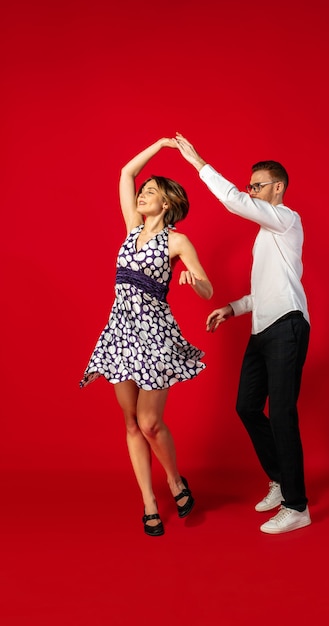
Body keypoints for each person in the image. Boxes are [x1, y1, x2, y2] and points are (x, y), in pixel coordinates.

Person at [174, 133, 311, 534]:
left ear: (278, 188)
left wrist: (199, 163)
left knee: (282, 414)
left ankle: (297, 506)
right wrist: (232, 308)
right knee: (247, 407)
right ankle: (281, 481)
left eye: (257, 185)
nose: (250, 191)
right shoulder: (266, 236)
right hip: (262, 327)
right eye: (249, 185)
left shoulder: (287, 219)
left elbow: (233, 200)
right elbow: (267, 288)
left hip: (287, 325)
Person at [80, 138, 213, 537]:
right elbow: (126, 173)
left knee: (150, 422)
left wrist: (194, 282)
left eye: (151, 192)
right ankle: (149, 502)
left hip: (154, 337)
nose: (141, 195)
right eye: (142, 192)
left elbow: (208, 288)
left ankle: (175, 481)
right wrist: (160, 144)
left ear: (167, 204)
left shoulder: (177, 241)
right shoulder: (131, 228)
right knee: (131, 424)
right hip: (119, 333)